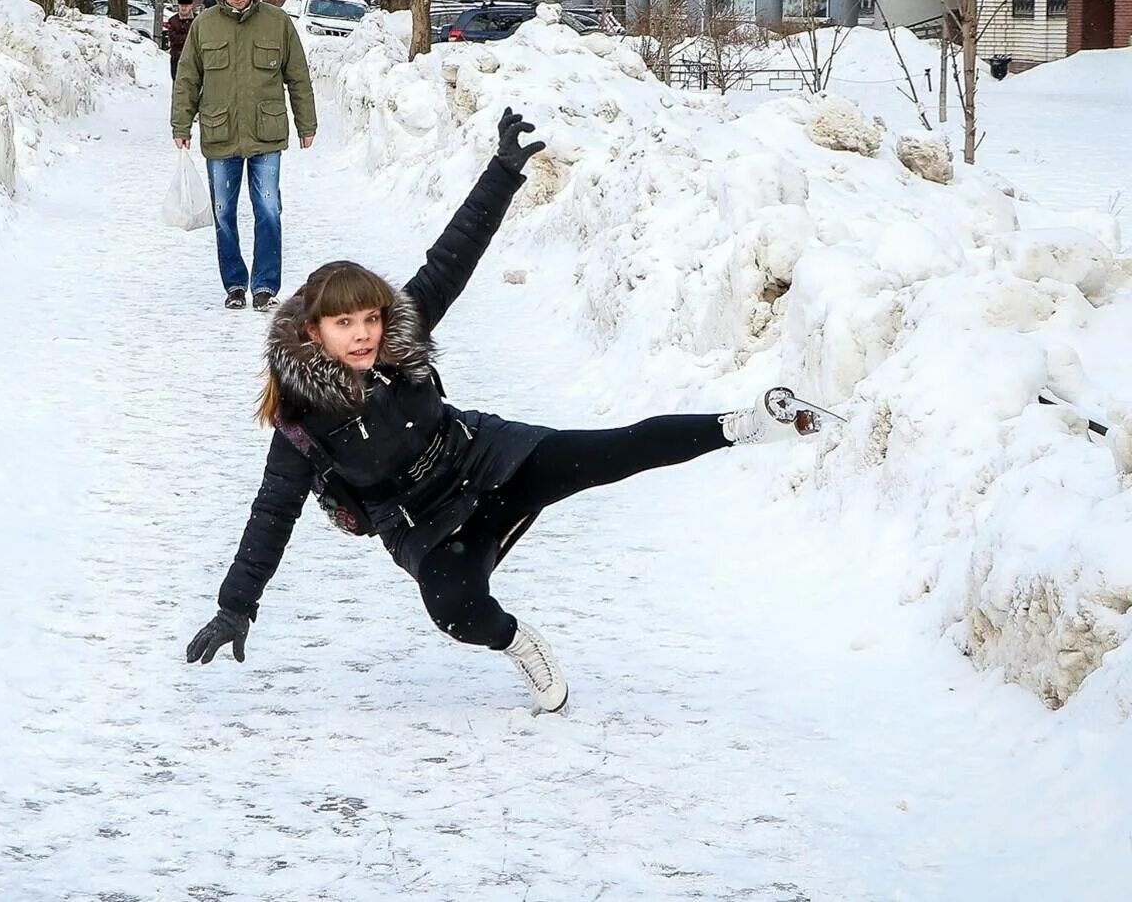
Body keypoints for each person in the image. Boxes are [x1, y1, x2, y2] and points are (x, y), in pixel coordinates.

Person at [185, 109, 827, 713]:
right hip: (424, 524)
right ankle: (520, 646)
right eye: (344, 323)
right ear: (314, 330)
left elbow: (452, 257)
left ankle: (742, 426)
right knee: (458, 614)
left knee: (610, 451)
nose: (363, 334)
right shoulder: (301, 416)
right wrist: (236, 605)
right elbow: (273, 512)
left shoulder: (400, 337)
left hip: (486, 459)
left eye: (370, 318)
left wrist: (502, 172)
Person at [170, 0, 317, 312]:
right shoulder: (204, 25)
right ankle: (235, 284)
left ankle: (265, 286)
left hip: (266, 133)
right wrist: (181, 123)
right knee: (223, 213)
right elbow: (188, 77)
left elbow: (297, 76)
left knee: (268, 209)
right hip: (220, 133)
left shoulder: (278, 23)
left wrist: (306, 123)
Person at [165, 0, 197, 82]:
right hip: (177, 57)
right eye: (182, 5)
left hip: (193, 58)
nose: (184, 8)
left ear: (191, 6)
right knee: (177, 82)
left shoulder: (197, 20)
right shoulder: (173, 20)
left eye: (186, 5)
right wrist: (188, 37)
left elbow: (200, 37)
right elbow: (172, 38)